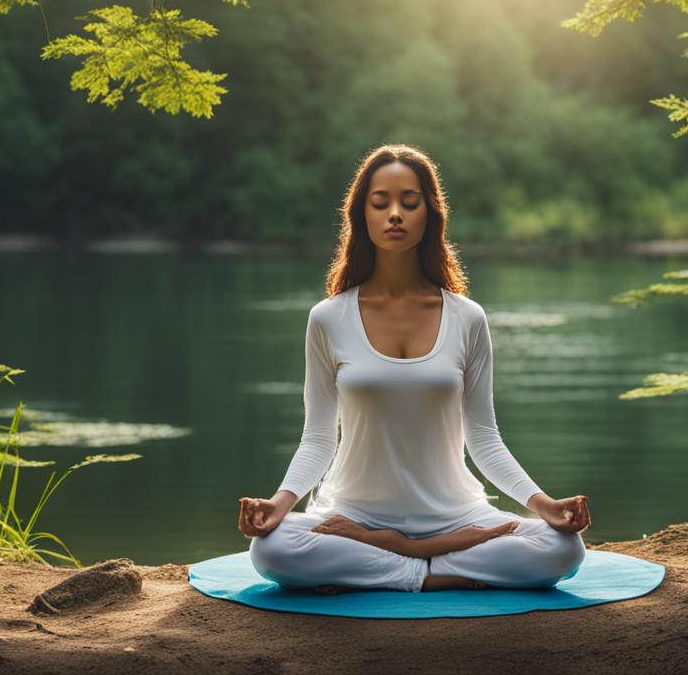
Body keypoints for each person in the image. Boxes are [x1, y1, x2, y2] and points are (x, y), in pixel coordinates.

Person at [237, 143, 591, 594]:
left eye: (410, 201)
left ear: (431, 213)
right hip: (354, 515)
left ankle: (392, 561)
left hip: (457, 515)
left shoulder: (467, 317)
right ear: (361, 215)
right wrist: (279, 504)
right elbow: (318, 438)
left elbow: (484, 438)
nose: (395, 215)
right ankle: (430, 568)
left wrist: (544, 504)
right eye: (380, 202)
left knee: (563, 547)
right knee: (272, 549)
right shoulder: (327, 317)